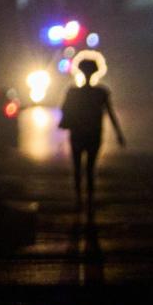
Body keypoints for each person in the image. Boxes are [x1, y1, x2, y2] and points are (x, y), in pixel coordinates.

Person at [59, 59, 126, 203]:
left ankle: (78, 200)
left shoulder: (73, 92)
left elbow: (65, 110)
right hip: (94, 133)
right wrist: (119, 134)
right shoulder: (101, 93)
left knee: (77, 167)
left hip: (77, 133)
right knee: (90, 168)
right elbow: (110, 113)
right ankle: (89, 200)